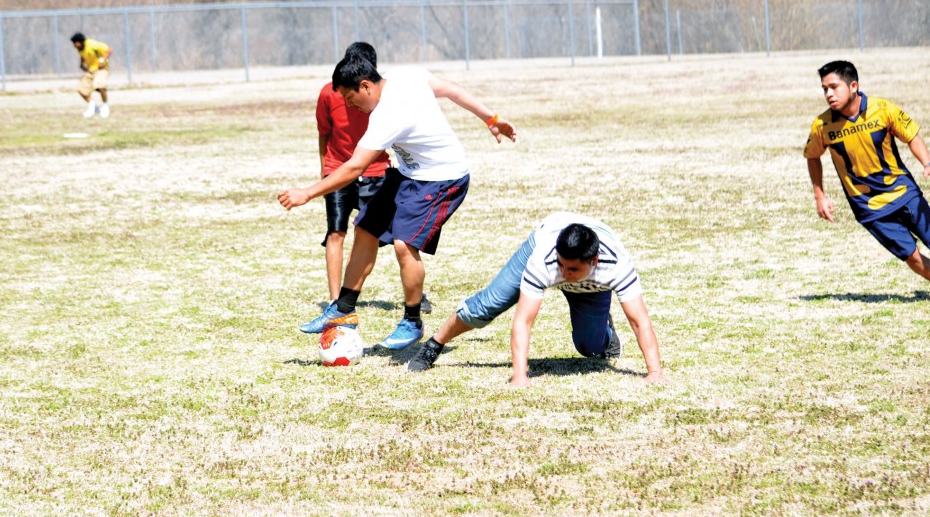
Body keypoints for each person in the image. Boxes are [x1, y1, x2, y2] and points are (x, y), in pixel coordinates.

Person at [279, 53, 515, 350]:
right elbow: (451, 88)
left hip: (442, 178)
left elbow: (354, 168)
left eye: (351, 99)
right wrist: (490, 118)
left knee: (405, 244)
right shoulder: (405, 74)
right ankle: (343, 310)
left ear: (365, 86)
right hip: (408, 173)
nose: (351, 106)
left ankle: (412, 320)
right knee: (365, 227)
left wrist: (307, 192)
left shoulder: (387, 115)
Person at [406, 212, 666, 387]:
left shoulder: (616, 264)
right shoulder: (545, 258)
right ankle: (434, 344)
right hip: (548, 238)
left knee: (591, 348)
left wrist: (654, 373)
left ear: (594, 260)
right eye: (562, 266)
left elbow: (639, 321)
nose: (564, 274)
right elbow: (524, 320)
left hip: (593, 284)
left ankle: (605, 329)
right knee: (489, 304)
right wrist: (520, 376)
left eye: (572, 269)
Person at [804, 60, 930, 302]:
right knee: (911, 256)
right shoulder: (822, 126)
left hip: (902, 191)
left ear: (853, 86)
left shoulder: (882, 109)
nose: (828, 94)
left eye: (834, 87)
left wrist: (928, 164)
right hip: (869, 208)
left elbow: (912, 136)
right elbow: (812, 156)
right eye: (824, 89)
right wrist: (820, 195)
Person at [302, 42, 429, 331]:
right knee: (336, 233)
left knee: (400, 237)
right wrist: (324, 170)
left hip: (375, 171)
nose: (349, 102)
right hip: (338, 172)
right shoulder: (329, 93)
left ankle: (415, 297)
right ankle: (338, 303)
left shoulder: (384, 100)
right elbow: (324, 133)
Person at [70, 32, 112, 118]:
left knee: (100, 85)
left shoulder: (92, 44)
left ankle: (105, 106)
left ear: (80, 41)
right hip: (91, 71)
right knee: (81, 89)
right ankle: (93, 106)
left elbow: (109, 50)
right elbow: (83, 55)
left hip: (101, 69)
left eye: (75, 43)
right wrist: (82, 64)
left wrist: (102, 60)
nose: (74, 45)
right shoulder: (80, 49)